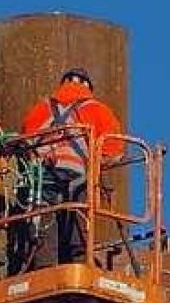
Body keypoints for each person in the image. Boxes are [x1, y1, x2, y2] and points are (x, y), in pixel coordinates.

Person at [18, 68, 124, 267]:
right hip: (79, 178)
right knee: (79, 230)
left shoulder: (40, 109)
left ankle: (45, 269)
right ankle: (79, 264)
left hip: (45, 178)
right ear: (87, 86)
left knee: (45, 231)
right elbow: (115, 151)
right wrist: (97, 165)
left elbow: (25, 145)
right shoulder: (97, 109)